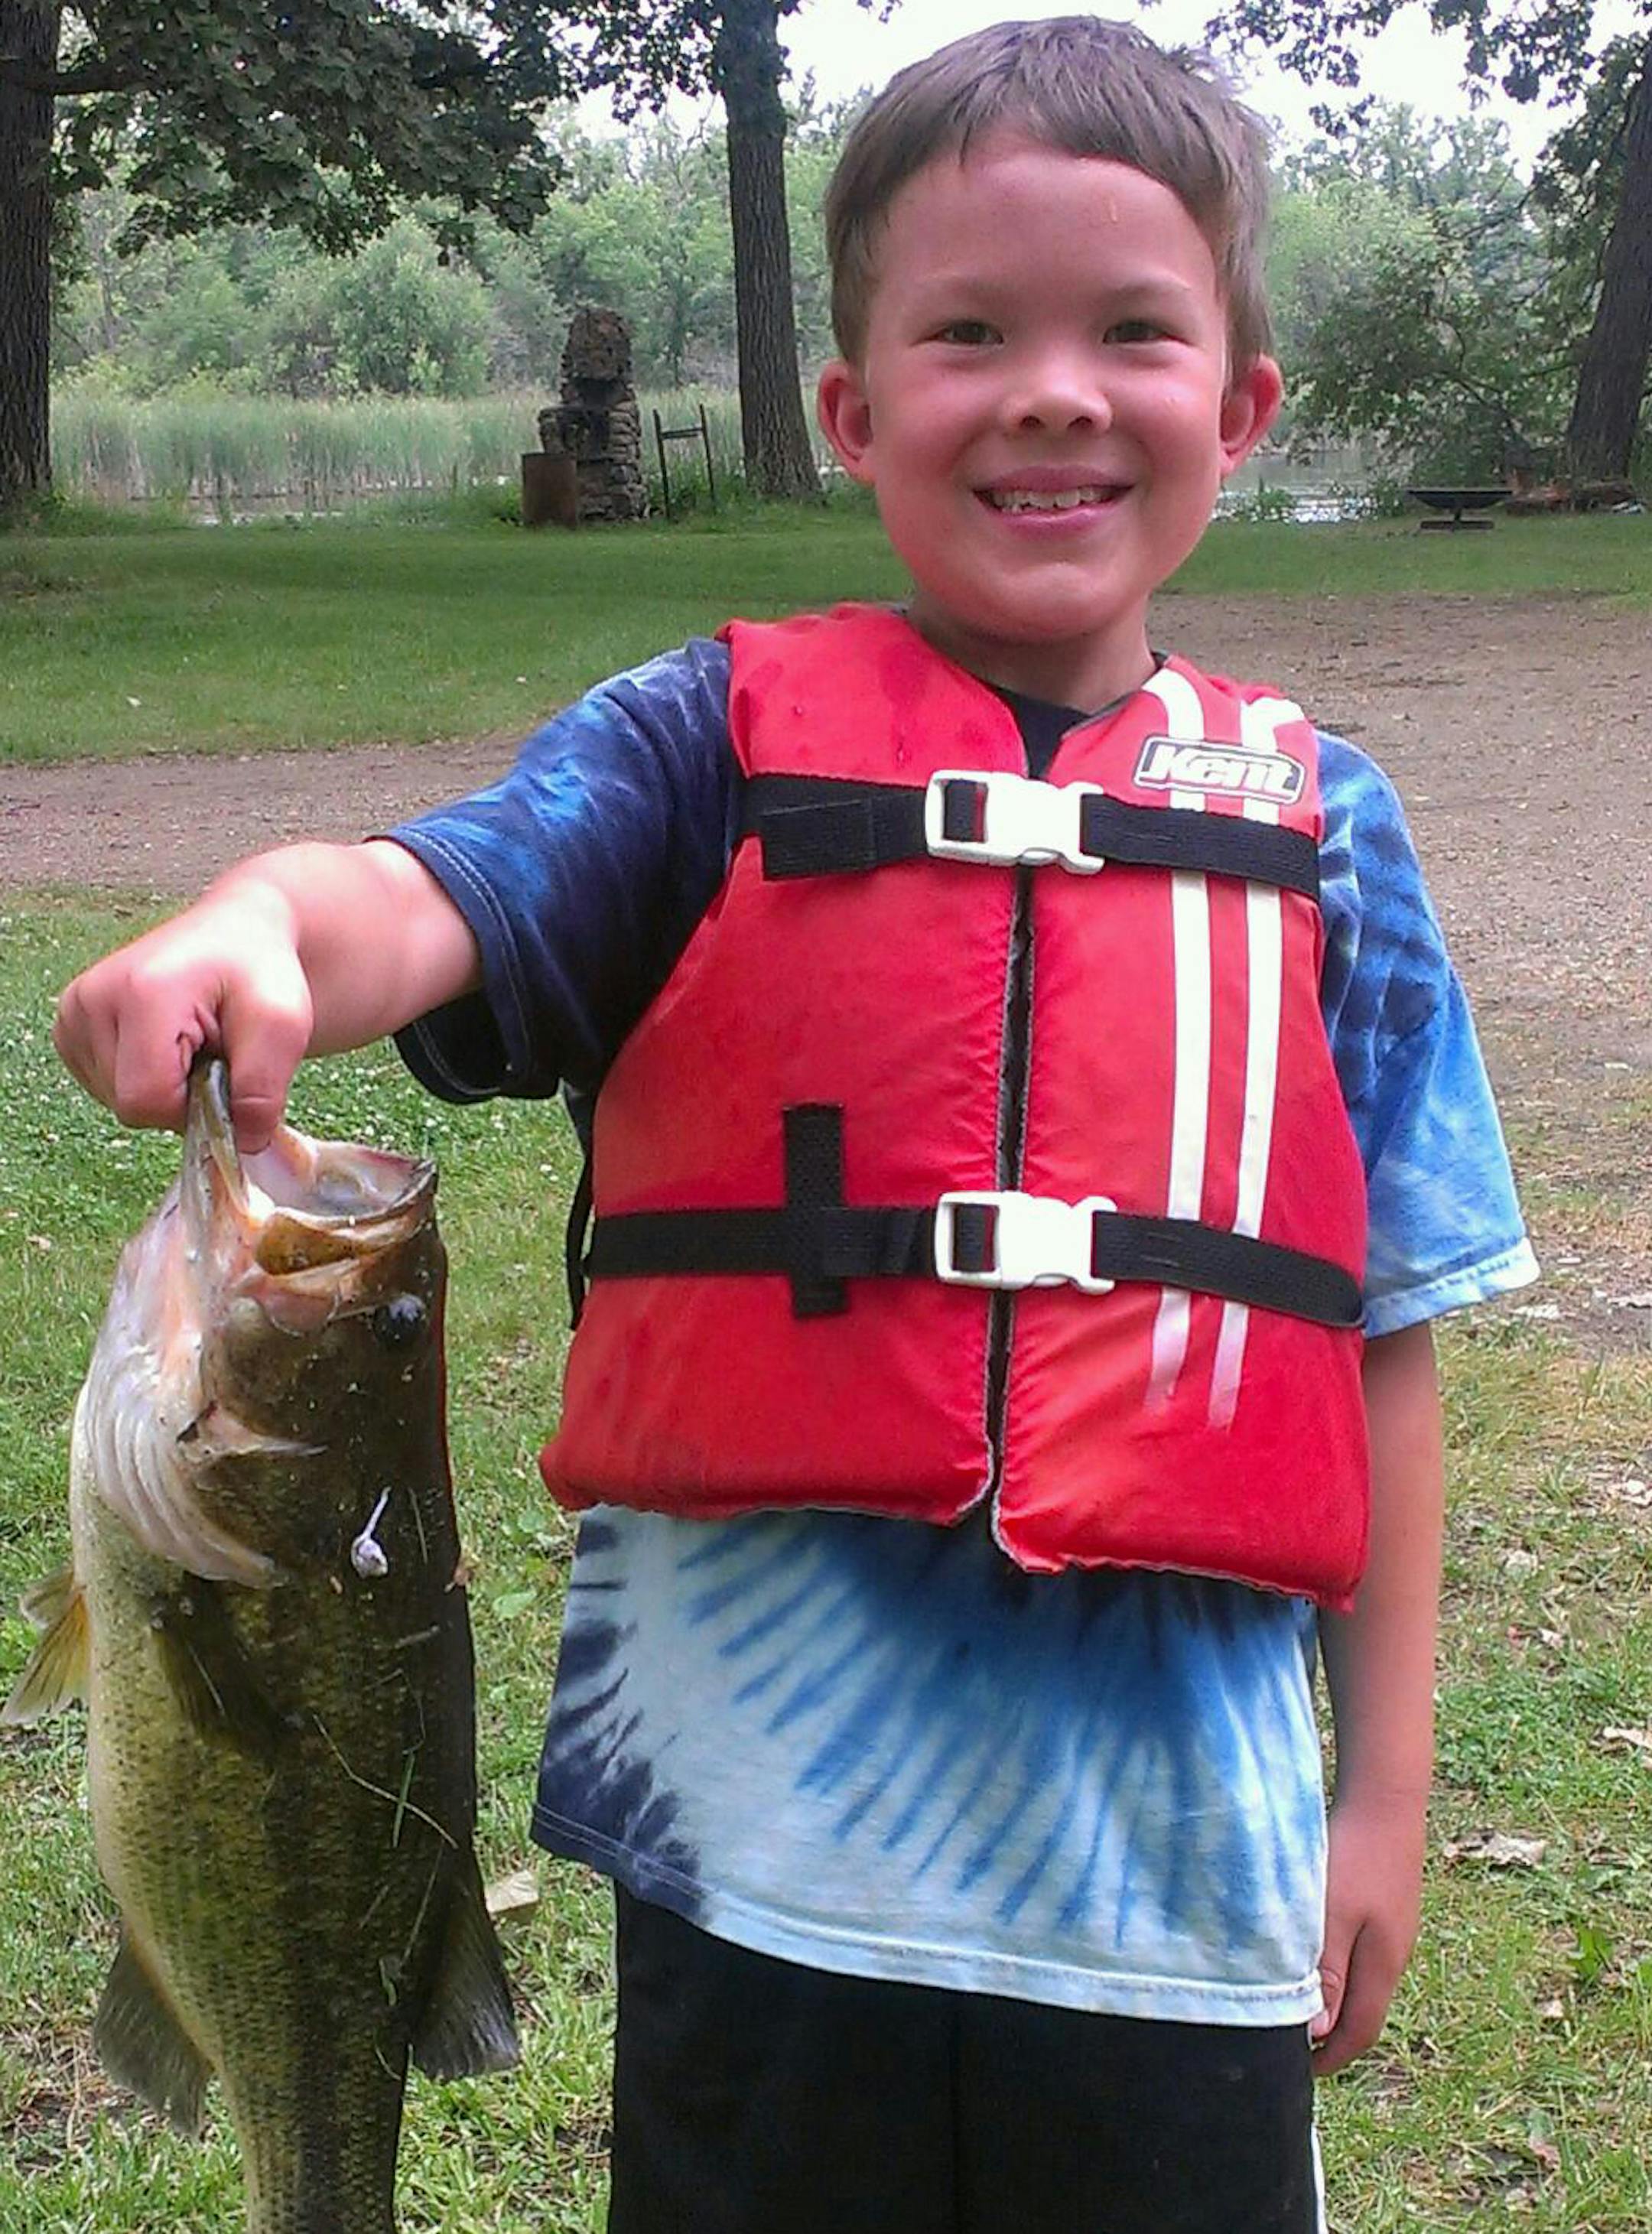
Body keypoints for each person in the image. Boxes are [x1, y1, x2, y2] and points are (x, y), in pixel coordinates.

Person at [54, 18, 1536, 2232]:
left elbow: (1379, 1339)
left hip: (1177, 1903)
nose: (1051, 388)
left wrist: (1385, 1794)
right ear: (852, 412)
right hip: (760, 1889)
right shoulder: (701, 751)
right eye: (969, 332)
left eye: (1133, 330)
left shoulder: (1332, 836)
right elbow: (433, 893)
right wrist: (269, 927)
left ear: (1240, 410)